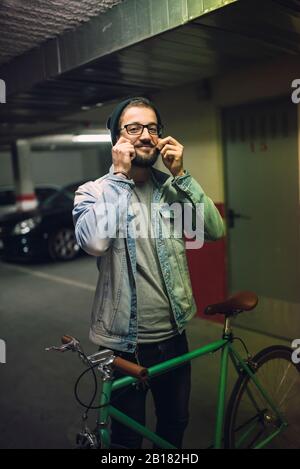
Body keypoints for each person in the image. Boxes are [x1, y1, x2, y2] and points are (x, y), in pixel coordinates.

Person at [73, 97, 225, 449]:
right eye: (133, 128)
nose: (145, 135)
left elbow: (215, 230)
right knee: (127, 438)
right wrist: (120, 178)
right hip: (123, 344)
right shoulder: (94, 192)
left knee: (174, 424)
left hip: (173, 335)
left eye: (152, 128)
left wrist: (182, 175)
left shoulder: (173, 189)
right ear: (116, 138)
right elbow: (95, 242)